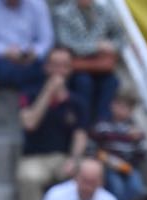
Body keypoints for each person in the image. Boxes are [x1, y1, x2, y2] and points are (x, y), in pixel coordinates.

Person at [20, 62, 97, 200]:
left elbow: (80, 134)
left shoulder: (78, 102)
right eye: (54, 65)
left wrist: (75, 159)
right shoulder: (29, 94)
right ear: (46, 68)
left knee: (86, 175)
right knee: (28, 178)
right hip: (34, 157)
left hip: (64, 157)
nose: (58, 71)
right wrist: (47, 94)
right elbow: (30, 123)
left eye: (62, 66)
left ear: (70, 70)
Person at [0, 0, 52, 137]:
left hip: (28, 62)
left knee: (53, 64)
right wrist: (5, 51)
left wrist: (33, 53)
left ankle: (39, 125)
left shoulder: (37, 4)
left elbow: (46, 41)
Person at [52, 0, 121, 128]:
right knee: (84, 82)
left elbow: (120, 36)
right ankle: (83, 124)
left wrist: (112, 46)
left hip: (99, 66)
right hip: (76, 66)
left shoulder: (104, 11)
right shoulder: (63, 13)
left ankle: (102, 124)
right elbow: (66, 42)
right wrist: (96, 47)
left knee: (111, 82)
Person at [89, 89, 147, 200]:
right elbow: (92, 146)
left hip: (128, 167)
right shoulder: (103, 125)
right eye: (119, 105)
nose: (121, 110)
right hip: (107, 166)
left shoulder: (134, 129)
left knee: (137, 187)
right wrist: (100, 159)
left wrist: (138, 140)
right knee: (117, 187)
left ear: (131, 111)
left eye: (126, 107)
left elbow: (143, 154)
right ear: (112, 105)